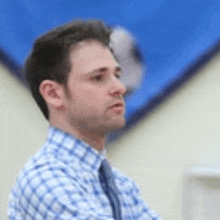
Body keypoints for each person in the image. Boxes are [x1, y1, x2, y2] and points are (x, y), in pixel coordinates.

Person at [8, 19, 161, 219]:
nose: (120, 87)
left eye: (117, 75)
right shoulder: (46, 181)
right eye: (98, 77)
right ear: (53, 94)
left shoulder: (122, 186)